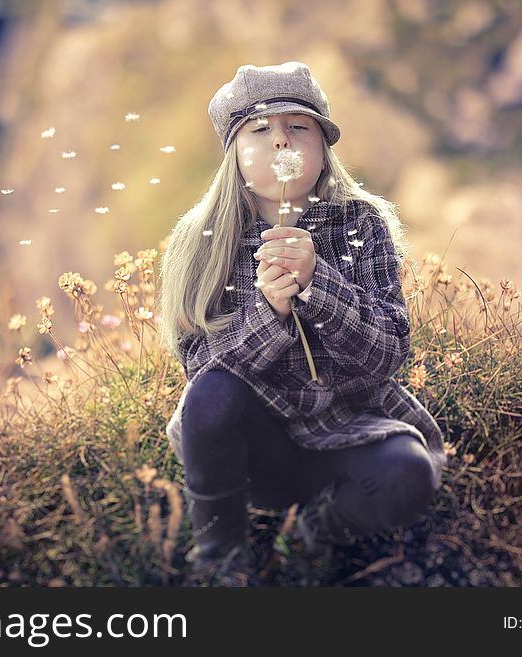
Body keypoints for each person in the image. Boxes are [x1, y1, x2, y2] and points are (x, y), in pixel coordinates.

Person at [156, 62, 448, 586]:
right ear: (233, 152)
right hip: (255, 448)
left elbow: (386, 355)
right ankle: (222, 556)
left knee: (410, 474)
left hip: (350, 427)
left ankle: (307, 539)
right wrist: (269, 312)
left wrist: (320, 284)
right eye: (260, 131)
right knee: (213, 393)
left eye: (299, 128)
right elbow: (202, 377)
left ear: (323, 147)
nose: (282, 142)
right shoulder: (201, 239)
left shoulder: (361, 223)